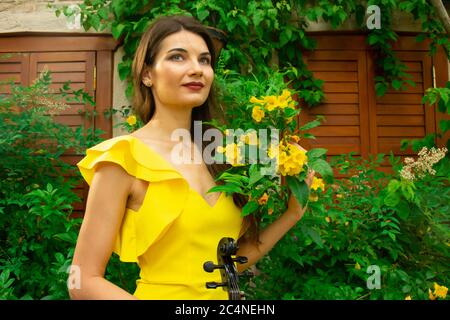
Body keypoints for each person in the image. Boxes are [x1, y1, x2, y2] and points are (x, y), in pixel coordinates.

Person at [68, 14, 314, 300]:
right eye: (178, 57)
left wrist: (293, 213)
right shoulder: (122, 159)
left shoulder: (226, 153)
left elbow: (232, 263)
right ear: (147, 74)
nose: (197, 69)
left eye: (205, 60)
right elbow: (82, 280)